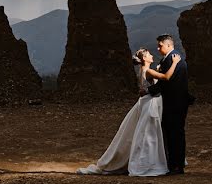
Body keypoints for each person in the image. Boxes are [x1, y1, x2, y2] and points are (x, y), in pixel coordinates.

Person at [77, 48, 181, 176]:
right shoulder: (148, 71)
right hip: (150, 104)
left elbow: (149, 86)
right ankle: (146, 163)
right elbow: (166, 77)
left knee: (145, 131)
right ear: (144, 58)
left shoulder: (142, 71)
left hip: (146, 102)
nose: (152, 55)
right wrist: (175, 63)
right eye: (149, 54)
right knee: (149, 133)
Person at [144, 34, 192, 174]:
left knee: (174, 133)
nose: (158, 48)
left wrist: (148, 91)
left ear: (169, 45)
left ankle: (176, 165)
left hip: (174, 103)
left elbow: (166, 81)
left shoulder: (173, 58)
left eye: (160, 45)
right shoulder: (171, 58)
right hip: (174, 102)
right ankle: (175, 164)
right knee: (173, 133)